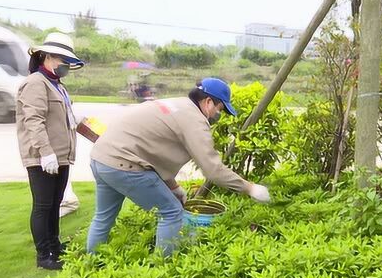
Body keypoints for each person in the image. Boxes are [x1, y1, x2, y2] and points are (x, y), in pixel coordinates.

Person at [87, 77, 270, 255]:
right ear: (208, 102)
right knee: (172, 212)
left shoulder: (178, 105)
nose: (218, 115)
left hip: (101, 159)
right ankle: (164, 269)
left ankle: (91, 263)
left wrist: (174, 187)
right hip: (124, 164)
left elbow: (153, 154)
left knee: (103, 216)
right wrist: (250, 188)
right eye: (220, 109)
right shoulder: (195, 120)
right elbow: (213, 170)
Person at [16, 32, 84, 270]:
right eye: (62, 59)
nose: (65, 65)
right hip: (43, 158)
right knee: (43, 206)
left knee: (56, 204)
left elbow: (62, 117)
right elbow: (33, 120)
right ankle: (44, 255)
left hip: (61, 156)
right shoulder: (36, 82)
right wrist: (45, 152)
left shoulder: (57, 84)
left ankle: (55, 245)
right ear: (47, 56)